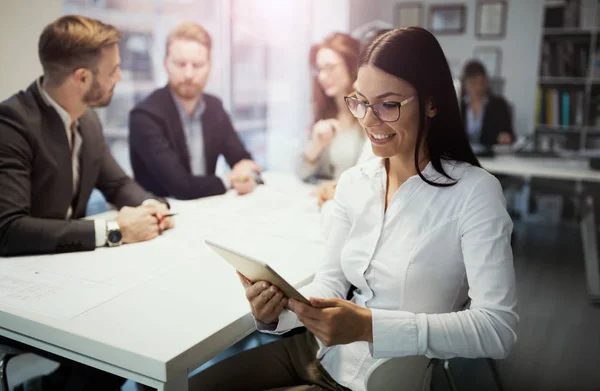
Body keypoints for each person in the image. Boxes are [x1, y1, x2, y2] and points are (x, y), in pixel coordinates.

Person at [189, 27, 518, 391]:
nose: (368, 120)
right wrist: (277, 314)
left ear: (431, 103)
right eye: (360, 101)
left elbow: (497, 329)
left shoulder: (475, 193)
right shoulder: (355, 183)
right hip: (313, 350)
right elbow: (331, 282)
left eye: (388, 104)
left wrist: (369, 327)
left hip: (383, 377)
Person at [0, 14, 175, 390]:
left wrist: (153, 207)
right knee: (123, 331)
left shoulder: (88, 122)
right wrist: (114, 230)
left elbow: (119, 185)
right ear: (82, 78)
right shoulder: (11, 123)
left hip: (69, 275)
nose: (120, 78)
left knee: (142, 315)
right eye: (113, 71)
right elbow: (8, 230)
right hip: (20, 288)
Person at [129, 22, 260, 200]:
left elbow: (241, 159)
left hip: (206, 210)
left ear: (209, 66)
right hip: (160, 215)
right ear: (165, 64)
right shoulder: (144, 116)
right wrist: (230, 180)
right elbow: (181, 187)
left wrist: (247, 170)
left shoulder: (214, 108)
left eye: (197, 65)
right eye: (180, 64)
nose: (189, 74)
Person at [297, 33, 364, 185]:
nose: (322, 76)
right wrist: (316, 145)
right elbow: (301, 173)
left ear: (352, 65)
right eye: (319, 69)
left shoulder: (369, 115)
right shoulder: (324, 114)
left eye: (330, 67)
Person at [460, 60, 514, 152]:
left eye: (481, 83)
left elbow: (510, 133)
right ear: (465, 84)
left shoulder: (499, 105)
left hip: (490, 156)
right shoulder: (458, 105)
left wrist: (505, 136)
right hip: (462, 155)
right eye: (473, 83)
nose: (477, 87)